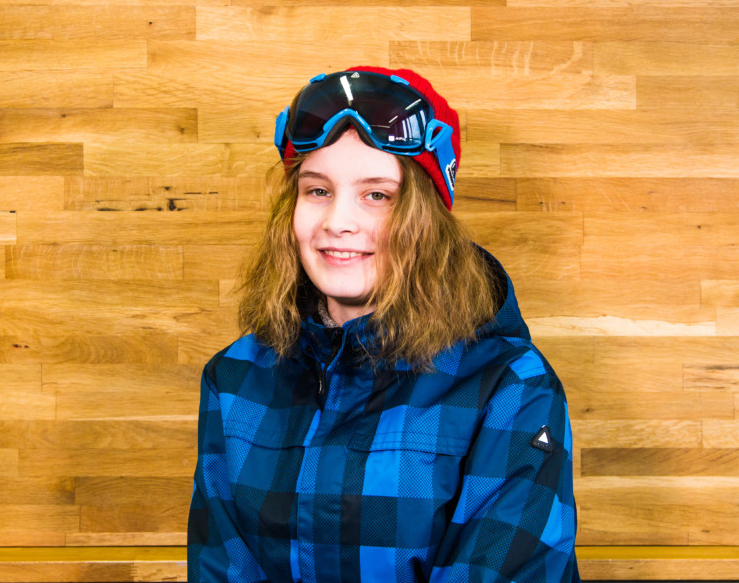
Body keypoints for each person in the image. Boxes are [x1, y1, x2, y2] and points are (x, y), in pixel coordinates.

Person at [187, 66, 581, 582]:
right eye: (317, 191)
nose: (337, 222)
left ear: (426, 218)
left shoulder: (512, 386)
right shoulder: (235, 377)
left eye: (377, 195)